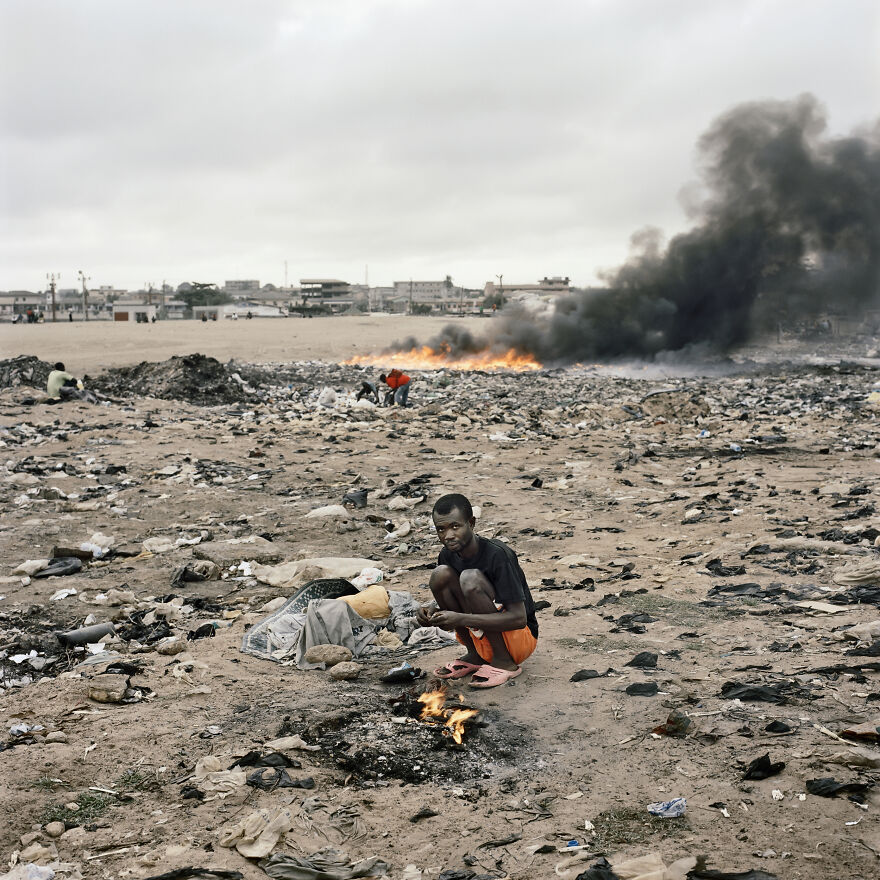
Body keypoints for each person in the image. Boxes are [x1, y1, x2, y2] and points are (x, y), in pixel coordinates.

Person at [417, 493, 538, 688]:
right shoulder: (447, 555)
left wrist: (460, 619)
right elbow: (456, 601)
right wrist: (432, 612)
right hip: (482, 635)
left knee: (469, 578)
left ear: (471, 523)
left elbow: (519, 619)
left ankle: (504, 662)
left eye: (455, 526)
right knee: (440, 574)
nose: (448, 535)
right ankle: (475, 655)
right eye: (441, 529)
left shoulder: (498, 555)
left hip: (519, 639)